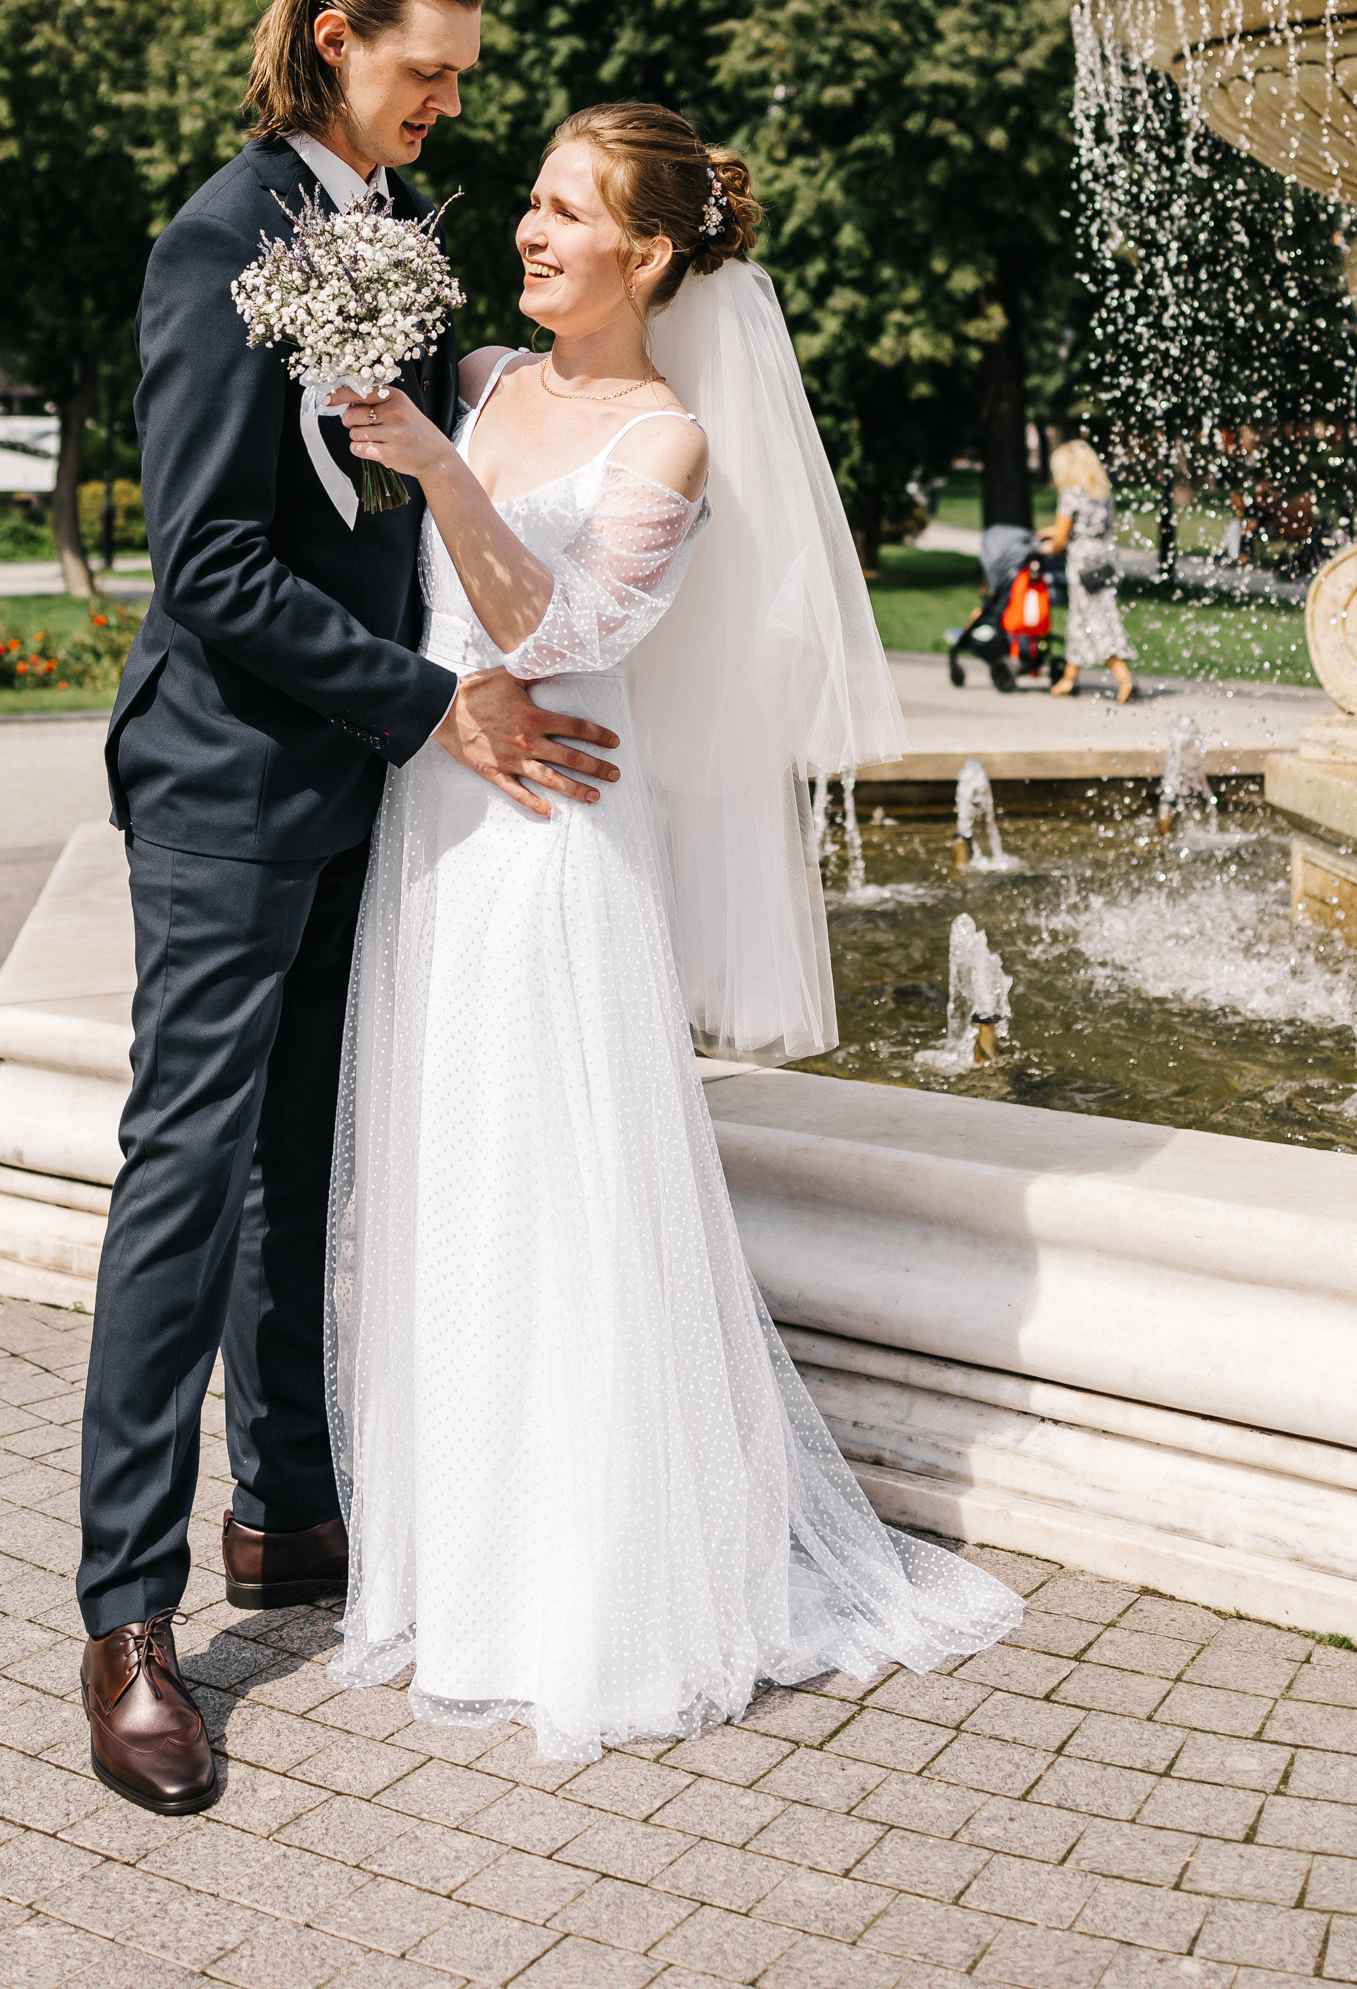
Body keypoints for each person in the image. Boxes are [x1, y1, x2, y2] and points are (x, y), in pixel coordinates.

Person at [330, 104, 1023, 1760]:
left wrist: (433, 470)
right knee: (451, 1186)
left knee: (561, 1194)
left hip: (558, 842)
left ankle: (593, 1591)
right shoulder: (487, 380)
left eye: (568, 210)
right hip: (436, 825)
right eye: (533, 202)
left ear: (646, 253)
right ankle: (469, 1567)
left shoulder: (664, 439)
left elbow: (560, 629)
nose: (530, 228)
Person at [78, 0, 625, 1817]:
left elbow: (377, 508)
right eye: (427, 70)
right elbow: (210, 566)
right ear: (329, 42)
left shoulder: (382, 243)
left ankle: (287, 1513)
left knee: (294, 1175)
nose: (449, 101)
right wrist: (428, 705)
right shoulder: (224, 241)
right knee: (181, 1178)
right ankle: (126, 1622)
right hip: (229, 784)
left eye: (461, 73)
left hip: (354, 789)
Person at [1045, 435, 1136, 704]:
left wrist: (1047, 545)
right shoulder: (1102, 492)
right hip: (1105, 556)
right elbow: (1096, 527)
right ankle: (1069, 678)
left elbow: (1061, 540)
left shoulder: (1070, 493)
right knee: (1085, 616)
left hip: (1082, 561)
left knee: (1094, 619)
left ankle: (1123, 677)